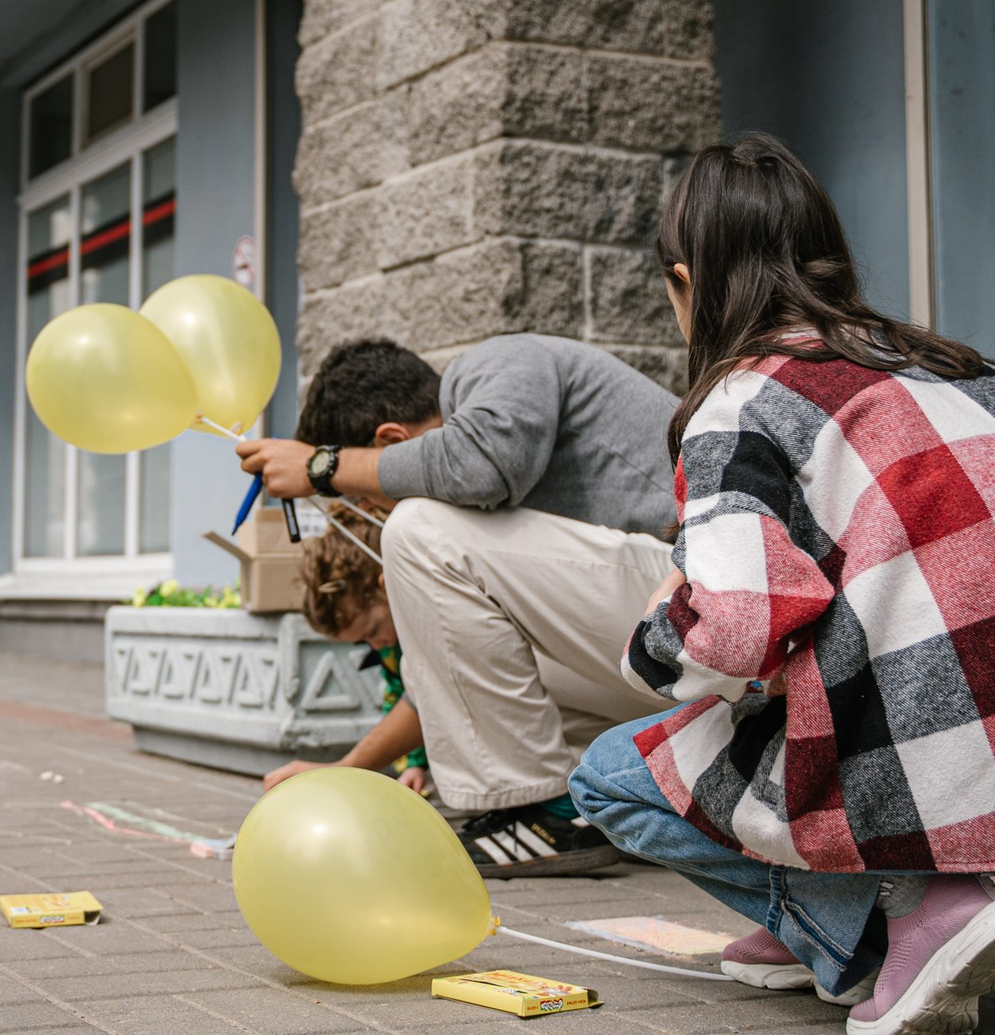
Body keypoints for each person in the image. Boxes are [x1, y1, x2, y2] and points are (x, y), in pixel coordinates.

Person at [569, 134, 995, 1035]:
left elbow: (737, 627)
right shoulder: (958, 365)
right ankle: (836, 917)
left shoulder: (742, 398)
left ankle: (906, 918)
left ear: (687, 279)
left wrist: (654, 635)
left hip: (931, 748)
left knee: (609, 774)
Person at [239, 333, 678, 876]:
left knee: (420, 528)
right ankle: (632, 812)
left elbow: (482, 466)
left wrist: (324, 468)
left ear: (391, 438)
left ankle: (545, 818)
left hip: (708, 603)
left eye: (364, 493)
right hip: (671, 647)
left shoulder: (500, 362)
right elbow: (455, 676)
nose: (370, 504)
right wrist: (347, 772)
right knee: (497, 660)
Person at [262, 524, 429, 798]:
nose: (377, 645)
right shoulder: (391, 645)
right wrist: (415, 764)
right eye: (364, 640)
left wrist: (345, 768)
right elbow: (407, 701)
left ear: (387, 586)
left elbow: (424, 703)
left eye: (374, 631)